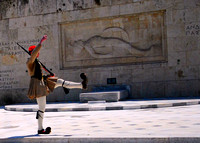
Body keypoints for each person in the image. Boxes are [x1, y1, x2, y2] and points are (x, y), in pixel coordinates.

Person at [26, 35, 88, 134]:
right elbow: (33, 56)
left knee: (60, 82)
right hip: (38, 86)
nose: (38, 53)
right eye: (36, 52)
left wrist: (48, 76)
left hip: (43, 82)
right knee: (42, 108)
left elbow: (39, 73)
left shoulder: (37, 62)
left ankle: (81, 85)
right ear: (33, 53)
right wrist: (41, 42)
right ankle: (40, 129)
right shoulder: (30, 62)